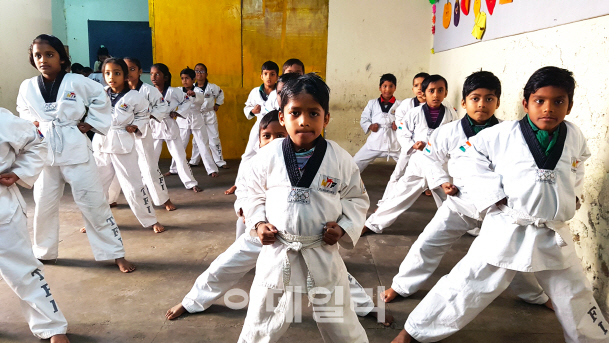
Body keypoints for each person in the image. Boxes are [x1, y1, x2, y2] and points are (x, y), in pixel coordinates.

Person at [392, 66, 608, 343]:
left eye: (559, 101)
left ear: (570, 105)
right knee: (467, 284)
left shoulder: (574, 135)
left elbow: (579, 164)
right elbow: (465, 157)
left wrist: (573, 196)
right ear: (525, 102)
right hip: (507, 226)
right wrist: (493, 195)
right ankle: (413, 332)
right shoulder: (503, 133)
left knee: (576, 293)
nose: (549, 108)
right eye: (540, 101)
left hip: (553, 231)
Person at [168, 111, 389, 327]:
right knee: (225, 265)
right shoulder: (256, 162)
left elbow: (348, 197)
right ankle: (193, 301)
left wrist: (341, 226)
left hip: (308, 235)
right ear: (259, 139)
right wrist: (254, 219)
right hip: (264, 236)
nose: (273, 140)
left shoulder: (326, 159)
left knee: (335, 274)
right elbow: (245, 193)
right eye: (267, 136)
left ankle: (366, 306)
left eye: (280, 136)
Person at [380, 71, 551, 311]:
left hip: (500, 208)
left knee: (512, 252)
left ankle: (536, 296)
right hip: (460, 202)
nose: (482, 104)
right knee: (427, 243)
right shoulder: (448, 132)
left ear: (498, 102)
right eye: (475, 98)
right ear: (463, 102)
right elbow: (429, 158)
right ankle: (401, 285)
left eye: (489, 99)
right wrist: (441, 181)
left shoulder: (510, 132)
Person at [239, 73, 370, 342]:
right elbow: (250, 192)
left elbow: (357, 198)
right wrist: (258, 223)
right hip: (278, 252)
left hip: (321, 250)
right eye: (295, 112)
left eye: (313, 113)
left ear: (326, 117)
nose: (304, 121)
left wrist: (344, 228)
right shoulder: (269, 155)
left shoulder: (340, 159)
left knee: (340, 320)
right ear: (282, 116)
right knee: (261, 319)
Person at [17, 34, 134, 273]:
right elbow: (23, 110)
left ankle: (114, 253)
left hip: (74, 148)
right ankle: (44, 252)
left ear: (61, 58)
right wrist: (34, 126)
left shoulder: (77, 82)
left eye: (49, 54)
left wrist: (90, 123)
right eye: (38, 55)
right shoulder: (27, 86)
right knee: (43, 205)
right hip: (45, 151)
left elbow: (101, 98)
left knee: (93, 203)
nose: (43, 60)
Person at [0, 108, 70, 343]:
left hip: (2, 208)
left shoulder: (3, 119)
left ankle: (52, 325)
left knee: (23, 269)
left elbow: (38, 144)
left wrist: (19, 172)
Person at [363, 74, 458, 234]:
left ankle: (467, 226)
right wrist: (412, 145)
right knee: (400, 194)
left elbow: (454, 136)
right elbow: (403, 133)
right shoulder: (414, 113)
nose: (436, 95)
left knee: (450, 197)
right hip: (419, 161)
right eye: (431, 91)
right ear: (424, 93)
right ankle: (373, 223)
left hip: (440, 163)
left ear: (446, 93)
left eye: (440, 90)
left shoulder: (451, 114)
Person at [92, 57, 165, 234]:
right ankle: (94, 222)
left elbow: (143, 115)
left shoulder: (135, 97)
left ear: (125, 75)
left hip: (122, 143)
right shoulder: (100, 94)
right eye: (107, 73)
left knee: (133, 185)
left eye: (117, 73)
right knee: (96, 185)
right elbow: (91, 112)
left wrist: (136, 126)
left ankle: (150, 220)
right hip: (102, 142)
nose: (111, 77)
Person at [224, 72, 300, 195]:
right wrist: (254, 113)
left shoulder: (301, 102)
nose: (268, 77)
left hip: (283, 132)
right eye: (266, 74)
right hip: (264, 126)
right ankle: (239, 184)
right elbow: (257, 111)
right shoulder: (269, 95)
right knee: (250, 157)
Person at [124, 57, 177, 211]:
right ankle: (110, 198)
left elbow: (162, 106)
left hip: (141, 132)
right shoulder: (118, 90)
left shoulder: (148, 90)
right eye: (125, 69)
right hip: (121, 134)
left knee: (148, 166)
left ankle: (163, 199)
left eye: (132, 69)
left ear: (140, 71)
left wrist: (148, 117)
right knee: (114, 169)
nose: (128, 73)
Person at [149, 63, 201, 192]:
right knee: (151, 158)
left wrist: (178, 112)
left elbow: (187, 100)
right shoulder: (148, 91)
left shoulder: (174, 91)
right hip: (154, 125)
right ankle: (147, 183)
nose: (153, 77)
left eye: (157, 74)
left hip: (169, 124)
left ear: (165, 77)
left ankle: (191, 183)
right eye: (151, 74)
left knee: (179, 156)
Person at [378, 72, 429, 203]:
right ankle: (384, 203)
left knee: (437, 180)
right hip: (410, 147)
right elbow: (401, 129)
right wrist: (411, 145)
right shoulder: (406, 105)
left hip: (429, 150)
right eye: (416, 85)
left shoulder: (438, 106)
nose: (419, 88)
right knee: (397, 175)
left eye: (423, 85)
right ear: (412, 88)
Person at [171, 67, 219, 177]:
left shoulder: (198, 91)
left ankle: (211, 169)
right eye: (182, 78)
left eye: (187, 78)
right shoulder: (177, 91)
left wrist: (193, 95)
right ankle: (174, 168)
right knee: (179, 145)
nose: (184, 81)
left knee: (203, 145)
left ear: (193, 79)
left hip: (197, 119)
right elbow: (172, 103)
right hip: (182, 120)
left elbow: (201, 100)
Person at [352, 73, 401, 172]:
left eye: (391, 86)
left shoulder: (400, 104)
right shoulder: (372, 103)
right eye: (384, 86)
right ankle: (347, 182)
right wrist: (370, 126)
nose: (387, 89)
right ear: (380, 88)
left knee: (409, 164)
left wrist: (399, 125)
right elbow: (364, 118)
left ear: (395, 88)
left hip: (394, 143)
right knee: (355, 162)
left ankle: (417, 185)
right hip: (375, 142)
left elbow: (406, 121)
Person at [189, 63, 228, 169]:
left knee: (214, 138)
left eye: (201, 71)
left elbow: (220, 94)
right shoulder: (192, 88)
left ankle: (219, 161)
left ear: (206, 74)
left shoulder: (212, 87)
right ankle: (194, 160)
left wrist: (218, 104)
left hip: (209, 114)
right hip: (197, 115)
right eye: (196, 71)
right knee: (197, 138)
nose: (199, 73)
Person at [241, 61, 279, 163]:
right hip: (259, 125)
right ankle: (243, 178)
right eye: (265, 74)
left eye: (272, 74)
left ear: (277, 77)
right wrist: (252, 111)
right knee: (249, 153)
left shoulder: (280, 93)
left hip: (276, 126)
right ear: (261, 76)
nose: (269, 77)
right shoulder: (255, 92)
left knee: (273, 154)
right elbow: (247, 107)